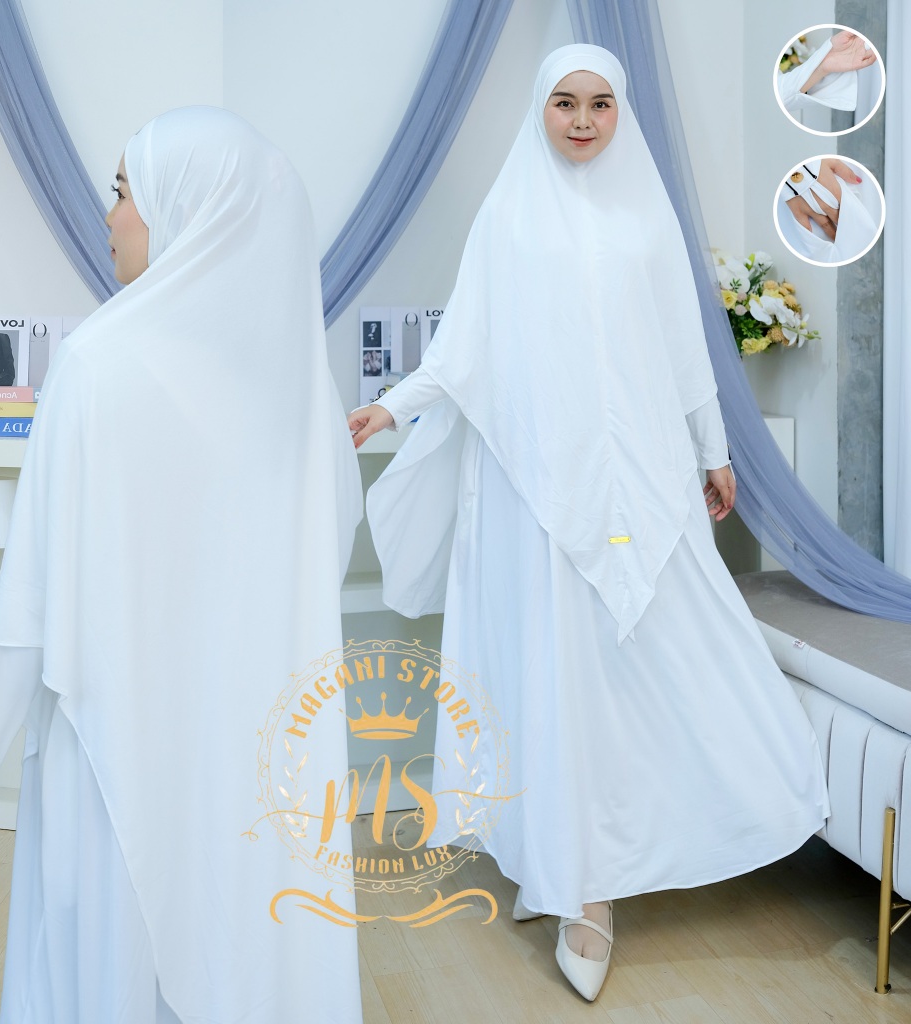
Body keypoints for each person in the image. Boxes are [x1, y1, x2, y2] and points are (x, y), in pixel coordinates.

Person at [348, 45, 829, 1003]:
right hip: (537, 481)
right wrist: (392, 407)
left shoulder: (648, 215)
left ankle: (613, 855)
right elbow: (463, 344)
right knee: (551, 669)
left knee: (652, 654)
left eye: (599, 104)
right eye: (564, 102)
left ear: (620, 112)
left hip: (641, 470)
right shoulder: (509, 217)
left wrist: (714, 451)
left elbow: (685, 348)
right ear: (541, 109)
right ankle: (573, 881)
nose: (581, 120)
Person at [0, 107, 364, 1024]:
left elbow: (31, 595)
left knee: (118, 944)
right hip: (248, 752)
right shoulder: (298, 387)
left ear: (186, 205)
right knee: (235, 938)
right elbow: (324, 554)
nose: (108, 215)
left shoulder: (98, 364)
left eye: (122, 191)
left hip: (116, 740)